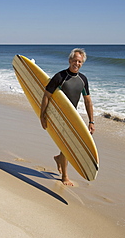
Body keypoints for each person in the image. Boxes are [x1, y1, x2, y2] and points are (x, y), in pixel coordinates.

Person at [40, 48, 95, 186]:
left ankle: (59, 158)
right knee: (68, 145)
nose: (77, 63)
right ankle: (65, 176)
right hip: (59, 116)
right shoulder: (60, 77)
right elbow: (46, 96)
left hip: (72, 116)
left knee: (68, 145)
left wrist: (91, 121)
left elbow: (88, 101)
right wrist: (43, 115)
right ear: (70, 60)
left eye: (80, 61)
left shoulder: (83, 80)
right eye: (75, 60)